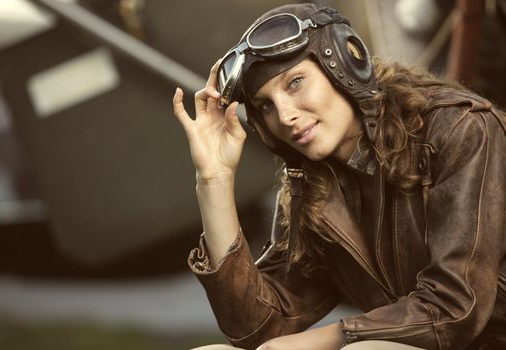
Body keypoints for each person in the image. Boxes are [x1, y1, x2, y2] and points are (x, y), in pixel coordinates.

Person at [172, 3, 506, 350]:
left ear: (347, 64)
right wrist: (214, 179)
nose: (285, 116)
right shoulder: (313, 187)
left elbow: (455, 307)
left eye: (295, 83)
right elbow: (258, 328)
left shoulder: (460, 130)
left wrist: (334, 338)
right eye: (266, 106)